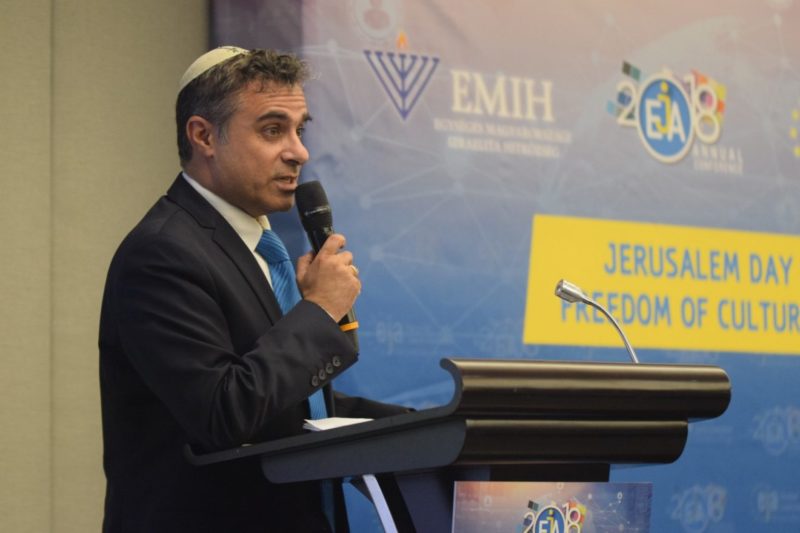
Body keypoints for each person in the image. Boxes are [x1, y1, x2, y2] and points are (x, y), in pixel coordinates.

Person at [99, 47, 405, 532]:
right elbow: (225, 412)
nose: (299, 152)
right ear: (204, 136)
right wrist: (319, 310)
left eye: (300, 130)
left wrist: (436, 425)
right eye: (272, 130)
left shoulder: (257, 250)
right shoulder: (161, 254)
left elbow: (285, 408)